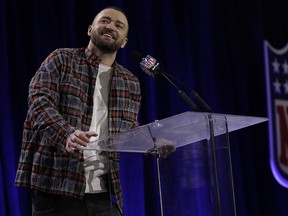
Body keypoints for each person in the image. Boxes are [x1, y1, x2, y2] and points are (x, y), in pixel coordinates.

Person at [14, 6, 140, 216]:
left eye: (119, 25)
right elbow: (38, 101)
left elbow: (127, 130)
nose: (110, 26)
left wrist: (153, 142)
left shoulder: (130, 82)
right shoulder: (62, 59)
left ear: (124, 41)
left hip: (104, 194)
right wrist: (66, 134)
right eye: (105, 21)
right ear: (90, 29)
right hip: (57, 187)